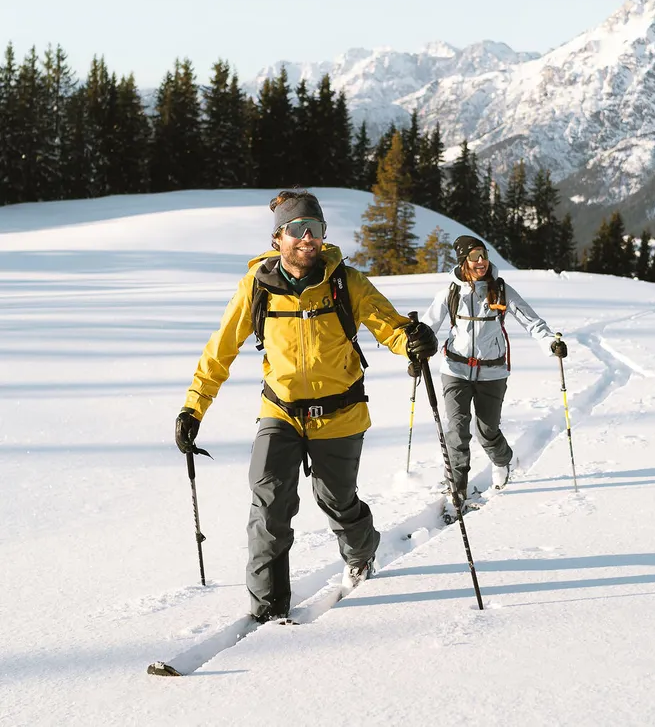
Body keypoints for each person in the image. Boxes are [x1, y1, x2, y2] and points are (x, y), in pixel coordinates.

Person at [174, 188, 438, 623]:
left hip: (340, 414)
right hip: (280, 412)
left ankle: (361, 552)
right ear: (278, 237)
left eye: (315, 229)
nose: (307, 238)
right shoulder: (256, 288)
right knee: (268, 505)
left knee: (337, 501)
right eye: (297, 230)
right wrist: (193, 409)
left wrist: (413, 342)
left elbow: (389, 327)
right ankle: (268, 610)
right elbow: (218, 353)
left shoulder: (345, 282)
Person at [419, 234, 567, 502]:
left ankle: (503, 461)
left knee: (487, 431)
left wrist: (550, 343)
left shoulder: (501, 290)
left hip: (492, 372)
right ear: (463, 261)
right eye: (475, 256)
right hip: (455, 369)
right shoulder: (450, 293)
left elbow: (531, 321)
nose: (481, 262)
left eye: (484, 255)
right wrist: (416, 354)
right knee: (457, 430)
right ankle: (457, 486)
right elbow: (428, 329)